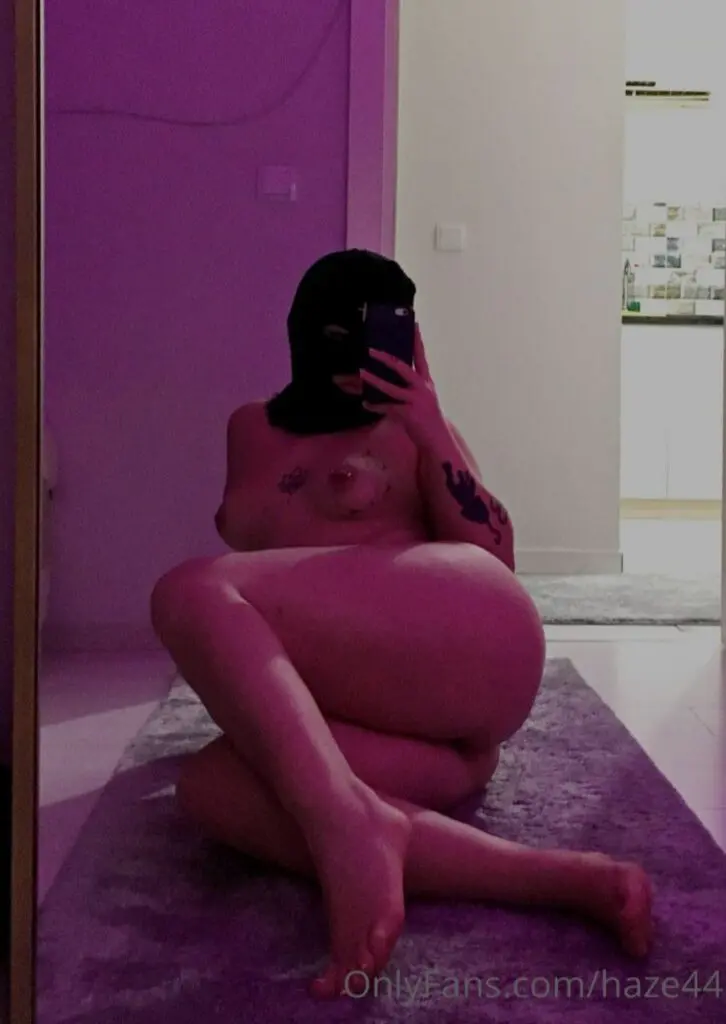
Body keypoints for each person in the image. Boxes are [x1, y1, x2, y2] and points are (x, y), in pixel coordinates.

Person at [151, 250, 652, 999]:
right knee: (212, 786)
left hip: (470, 645)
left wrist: (428, 427)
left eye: (385, 327)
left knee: (191, 590)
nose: (363, 349)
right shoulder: (252, 427)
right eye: (343, 331)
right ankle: (555, 878)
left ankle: (338, 824)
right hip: (410, 734)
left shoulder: (415, 425)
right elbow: (251, 530)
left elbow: (495, 557)